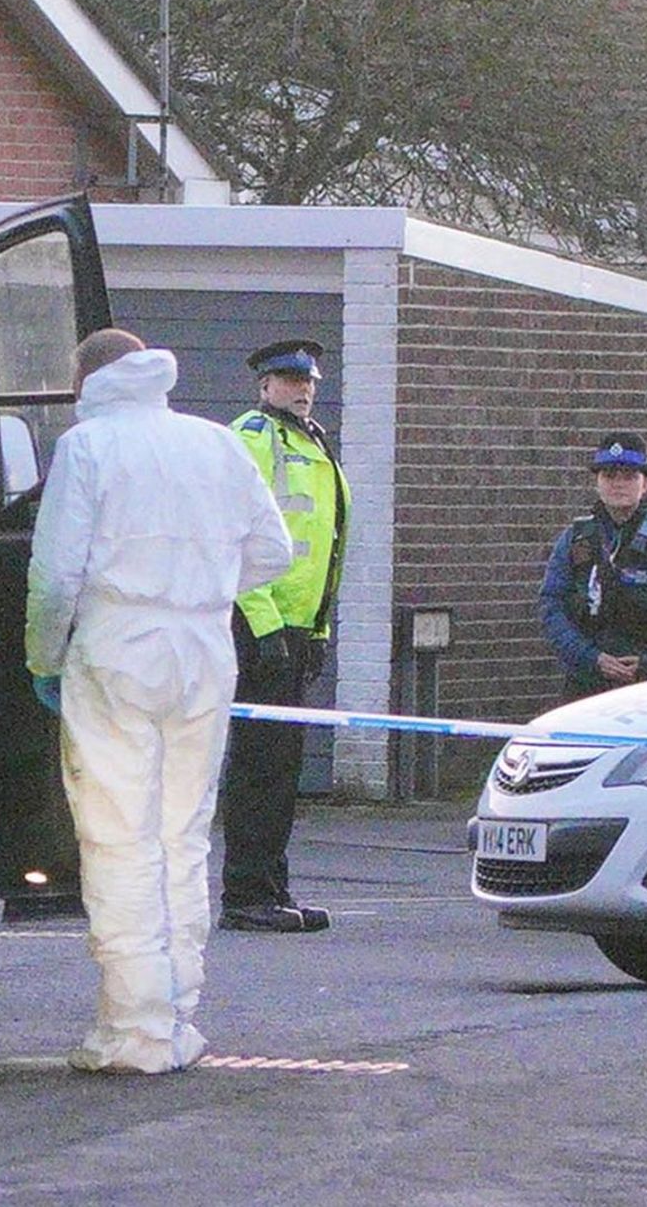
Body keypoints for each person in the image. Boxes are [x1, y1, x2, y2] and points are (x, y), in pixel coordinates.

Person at [24, 328, 292, 1075]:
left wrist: (44, 657)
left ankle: (134, 1030)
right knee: (184, 834)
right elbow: (275, 551)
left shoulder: (88, 446)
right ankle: (179, 1017)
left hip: (116, 646)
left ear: (86, 379)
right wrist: (200, 586)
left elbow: (54, 577)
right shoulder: (215, 444)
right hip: (204, 648)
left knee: (120, 838)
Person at [218, 337, 350, 935]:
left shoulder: (310, 440)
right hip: (258, 623)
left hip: (295, 627)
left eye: (310, 382)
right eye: (290, 381)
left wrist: (316, 629)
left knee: (281, 767)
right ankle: (246, 893)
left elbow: (325, 544)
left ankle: (271, 886)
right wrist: (266, 627)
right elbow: (233, 535)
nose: (303, 390)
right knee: (260, 765)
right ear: (264, 385)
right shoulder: (254, 434)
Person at [537, 434, 647, 699]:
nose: (618, 484)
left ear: (646, 484)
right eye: (609, 475)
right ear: (596, 482)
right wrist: (592, 658)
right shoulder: (577, 538)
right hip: (586, 683)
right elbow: (551, 606)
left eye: (629, 476)